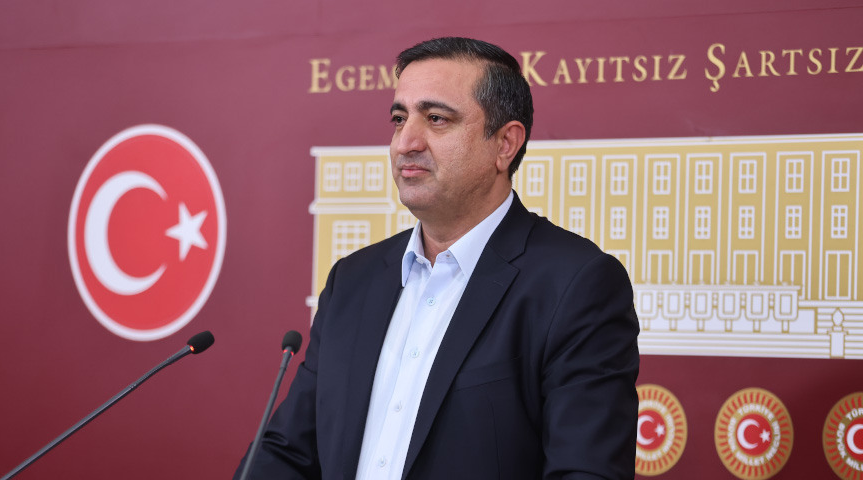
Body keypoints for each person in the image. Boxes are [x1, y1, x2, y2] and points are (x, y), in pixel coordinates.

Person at [236, 37, 639, 480]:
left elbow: (585, 470)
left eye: (436, 119)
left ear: (505, 144)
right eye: (399, 119)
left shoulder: (575, 284)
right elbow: (287, 453)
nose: (405, 142)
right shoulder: (352, 279)